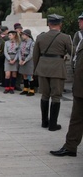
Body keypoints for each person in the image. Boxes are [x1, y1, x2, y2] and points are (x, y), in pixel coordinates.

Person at [50, 12, 83, 157]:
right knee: (76, 118)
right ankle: (70, 146)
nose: (79, 23)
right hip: (80, 86)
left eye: (81, 20)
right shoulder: (80, 38)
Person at [33, 14, 72, 131]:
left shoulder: (40, 37)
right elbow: (72, 53)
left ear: (49, 24)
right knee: (56, 96)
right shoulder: (65, 37)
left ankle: (44, 122)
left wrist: (36, 69)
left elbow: (35, 55)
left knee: (44, 95)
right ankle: (53, 124)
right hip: (57, 68)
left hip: (43, 68)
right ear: (60, 24)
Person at [18, 29, 35, 96]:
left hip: (28, 60)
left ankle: (31, 90)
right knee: (24, 75)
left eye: (23, 35)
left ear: (27, 35)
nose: (22, 36)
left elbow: (31, 53)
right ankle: (25, 89)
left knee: (30, 75)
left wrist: (25, 61)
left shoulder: (32, 43)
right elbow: (19, 51)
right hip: (22, 58)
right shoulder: (22, 42)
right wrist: (20, 59)